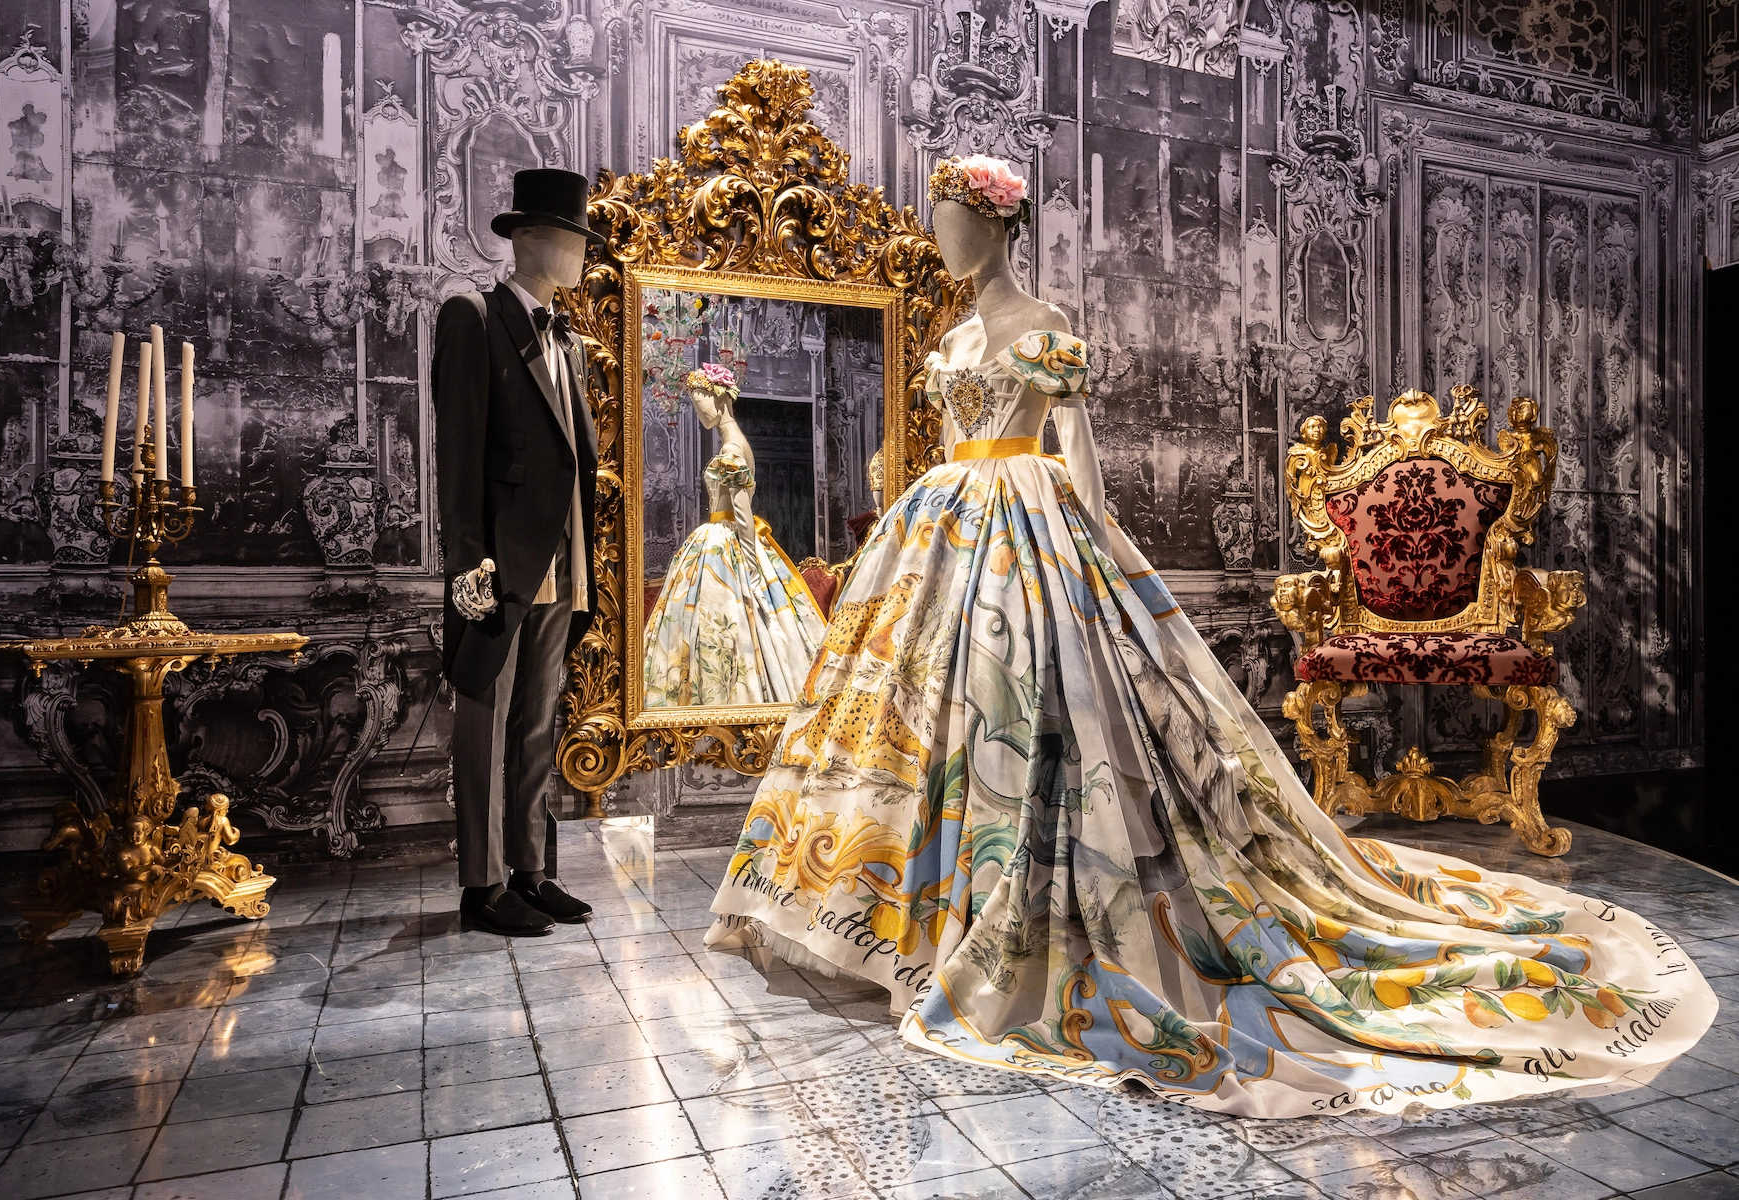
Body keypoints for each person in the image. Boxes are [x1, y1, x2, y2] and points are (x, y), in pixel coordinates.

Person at [704, 154, 1715, 1117]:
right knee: (916, 714)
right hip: (944, 527)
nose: (945, 243)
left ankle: (1023, 915)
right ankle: (907, 917)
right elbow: (946, 441)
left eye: (957, 224)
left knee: (1030, 715)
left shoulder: (1044, 324)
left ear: (999, 225)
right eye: (939, 227)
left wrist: (1090, 545)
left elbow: (1073, 442)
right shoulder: (956, 335)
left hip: (1028, 520)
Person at [433, 168, 600, 937]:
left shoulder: (569, 342)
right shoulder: (473, 317)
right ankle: (482, 884)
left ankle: (530, 871)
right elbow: (458, 452)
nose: (582, 256)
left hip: (562, 563)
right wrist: (467, 562)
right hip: (500, 564)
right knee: (485, 718)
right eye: (572, 240)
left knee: (536, 722)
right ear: (529, 239)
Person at [642, 364, 827, 706]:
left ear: (722, 399)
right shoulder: (737, 444)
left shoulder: (731, 451)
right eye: (697, 407)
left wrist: (752, 567)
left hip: (727, 541)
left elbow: (742, 513)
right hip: (724, 538)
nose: (701, 414)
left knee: (720, 625)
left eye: (703, 405)